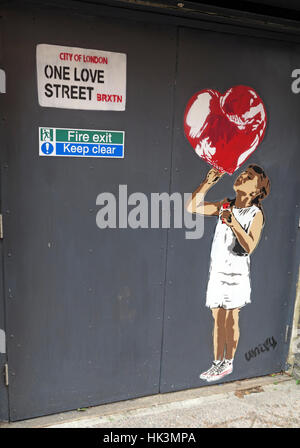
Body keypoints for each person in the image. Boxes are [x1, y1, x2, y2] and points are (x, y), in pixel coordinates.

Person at [186, 164, 270, 382]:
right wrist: (208, 182)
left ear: (256, 191)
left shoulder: (255, 213)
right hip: (218, 272)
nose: (242, 176)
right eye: (243, 173)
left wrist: (233, 223)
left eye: (249, 176)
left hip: (236, 276)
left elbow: (250, 245)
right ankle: (216, 363)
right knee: (217, 318)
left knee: (230, 318)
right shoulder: (225, 205)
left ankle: (228, 362)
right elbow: (193, 207)